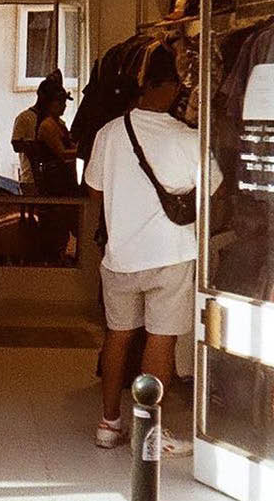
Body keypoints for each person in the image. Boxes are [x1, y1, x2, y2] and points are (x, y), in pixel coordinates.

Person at [83, 44, 222, 454]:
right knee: (159, 341)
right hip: (172, 255)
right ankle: (149, 431)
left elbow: (94, 190)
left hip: (121, 255)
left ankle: (108, 423)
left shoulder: (110, 133)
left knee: (118, 336)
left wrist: (125, 211)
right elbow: (211, 193)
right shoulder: (188, 139)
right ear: (172, 87)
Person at [12, 72, 80, 262]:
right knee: (53, 227)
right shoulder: (46, 125)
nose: (64, 106)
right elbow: (61, 153)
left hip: (63, 182)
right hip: (52, 184)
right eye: (60, 102)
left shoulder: (58, 124)